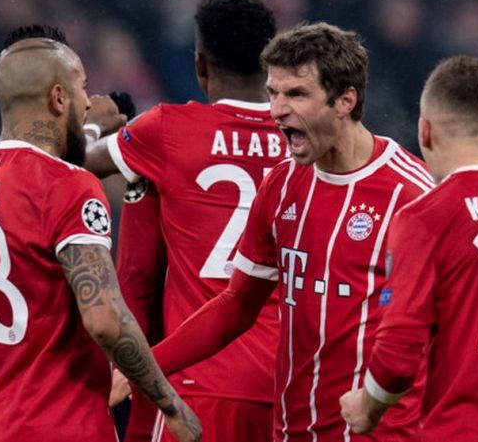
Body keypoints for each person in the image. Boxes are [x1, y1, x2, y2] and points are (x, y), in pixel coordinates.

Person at [141, 22, 436, 442]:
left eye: (296, 94)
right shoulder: (281, 186)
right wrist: (141, 369)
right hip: (291, 430)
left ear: (345, 100)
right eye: (272, 93)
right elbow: (236, 305)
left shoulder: (413, 196)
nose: (277, 109)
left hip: (381, 433)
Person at [0, 26, 201, 442]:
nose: (89, 102)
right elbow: (105, 318)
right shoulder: (69, 186)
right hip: (64, 428)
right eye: (84, 89)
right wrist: (170, 404)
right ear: (58, 98)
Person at [86, 0, 283, 442]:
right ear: (272, 63)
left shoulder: (168, 130)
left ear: (199, 66)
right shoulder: (305, 140)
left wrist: (94, 123)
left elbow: (73, 161)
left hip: (199, 381)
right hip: (288, 384)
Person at [339, 56, 478, 440]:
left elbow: (398, 353)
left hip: (462, 430)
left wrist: (367, 407)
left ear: (425, 131)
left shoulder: (426, 216)